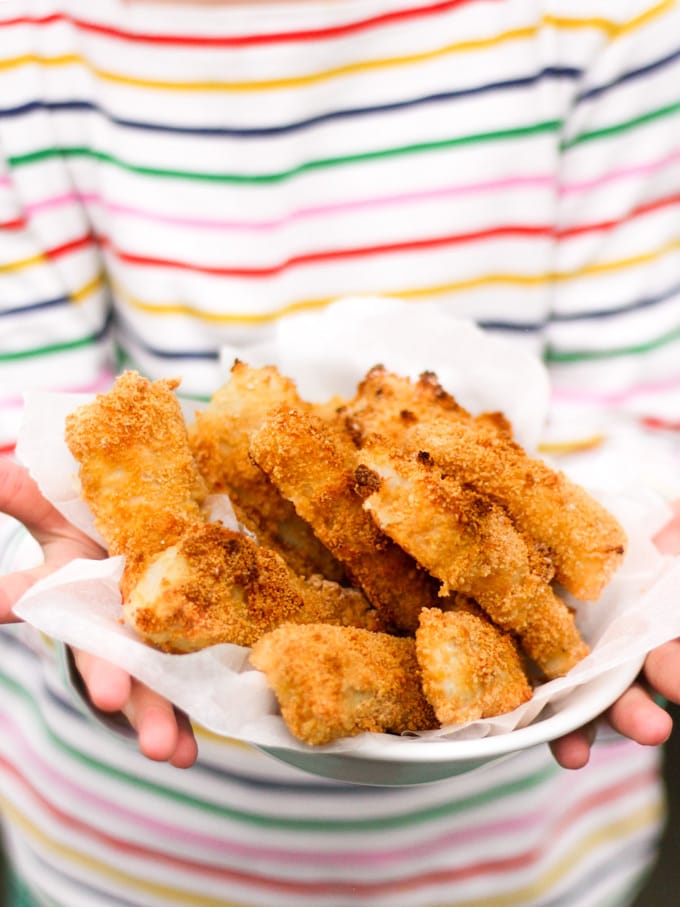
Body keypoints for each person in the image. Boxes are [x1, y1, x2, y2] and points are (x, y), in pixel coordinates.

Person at [1, 0, 679, 903]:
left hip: (532, 864)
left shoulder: (609, 25)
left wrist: (639, 559)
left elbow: (644, 407)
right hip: (127, 853)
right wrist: (66, 589)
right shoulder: (32, 47)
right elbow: (32, 445)